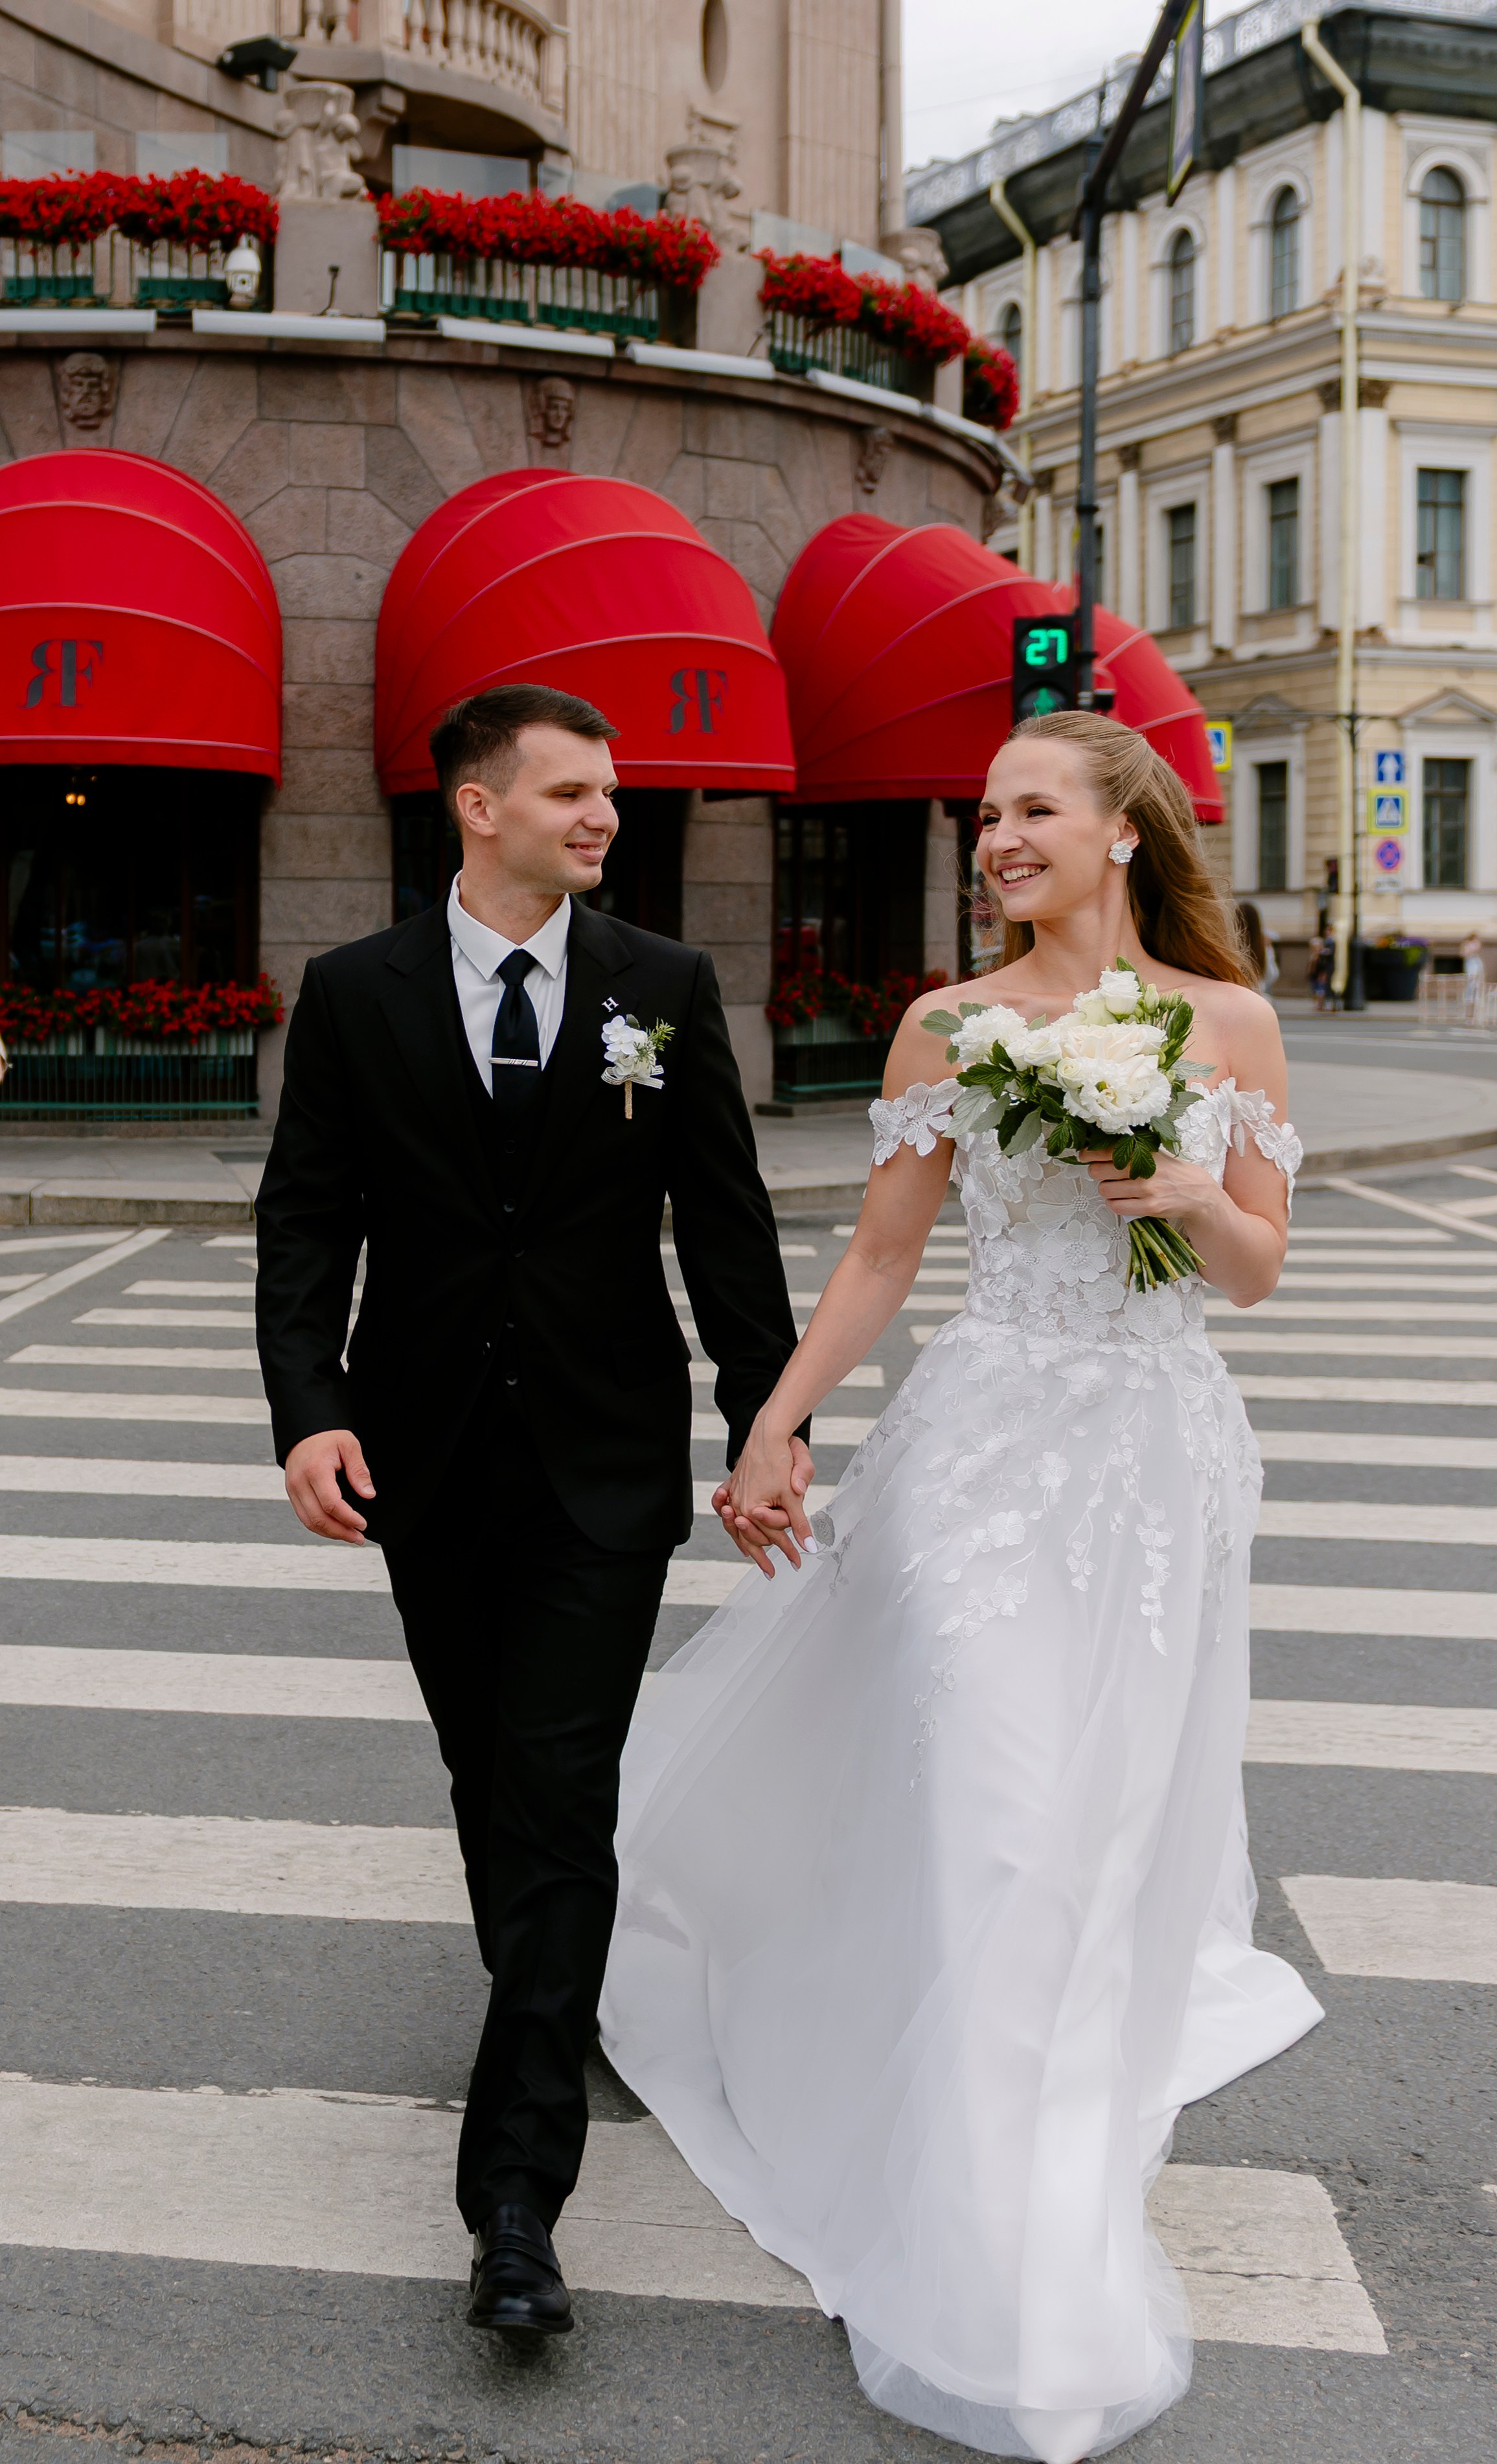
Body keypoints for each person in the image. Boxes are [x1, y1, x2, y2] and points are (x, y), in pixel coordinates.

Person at [599, 712, 1324, 2461]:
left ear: (1119, 831)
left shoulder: (1226, 1026)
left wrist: (1172, 1186)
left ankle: (1027, 2167)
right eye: (985, 812)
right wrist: (773, 1419)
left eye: (1029, 808)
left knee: (1093, 1843)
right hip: (984, 1456)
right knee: (998, 1824)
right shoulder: (948, 1023)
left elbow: (1258, 1267)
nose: (997, 835)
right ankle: (993, 2253)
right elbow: (878, 1254)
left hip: (1153, 1466)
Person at [255, 682, 804, 2345]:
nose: (603, 816)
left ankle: (513, 2201)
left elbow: (725, 1226)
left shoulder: (663, 985)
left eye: (611, 792)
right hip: (421, 1460)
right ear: (474, 808)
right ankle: (546, 1995)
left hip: (602, 1462)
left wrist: (762, 1422)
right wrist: (311, 1411)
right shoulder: (356, 994)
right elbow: (305, 1225)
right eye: (568, 791)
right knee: (490, 1768)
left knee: (560, 1791)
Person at [1235, 897, 1280, 998]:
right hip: (1256, 997)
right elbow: (1271, 975)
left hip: (1234, 997)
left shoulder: (1229, 946)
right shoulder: (1261, 945)